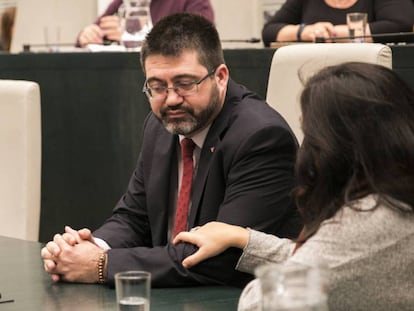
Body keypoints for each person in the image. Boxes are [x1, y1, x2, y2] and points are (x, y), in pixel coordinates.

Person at [41, 13, 302, 288]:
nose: (172, 99)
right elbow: (134, 217)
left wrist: (101, 265)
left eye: (185, 84)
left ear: (221, 77)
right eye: (157, 87)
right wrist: (88, 247)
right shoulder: (160, 126)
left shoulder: (261, 137)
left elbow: (222, 260)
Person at [173, 62, 414, 310]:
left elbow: (259, 304)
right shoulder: (396, 198)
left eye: (309, 133)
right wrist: (243, 238)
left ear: (336, 145)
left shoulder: (367, 217)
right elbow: (333, 260)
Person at [262, 0, 414, 46]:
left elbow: (400, 24)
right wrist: (306, 31)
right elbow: (269, 32)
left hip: (372, 76)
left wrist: (334, 33)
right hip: (315, 75)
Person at [77, 0, 215, 47]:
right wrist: (86, 35)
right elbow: (97, 28)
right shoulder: (123, 2)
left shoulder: (194, 2)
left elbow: (201, 41)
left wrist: (133, 33)